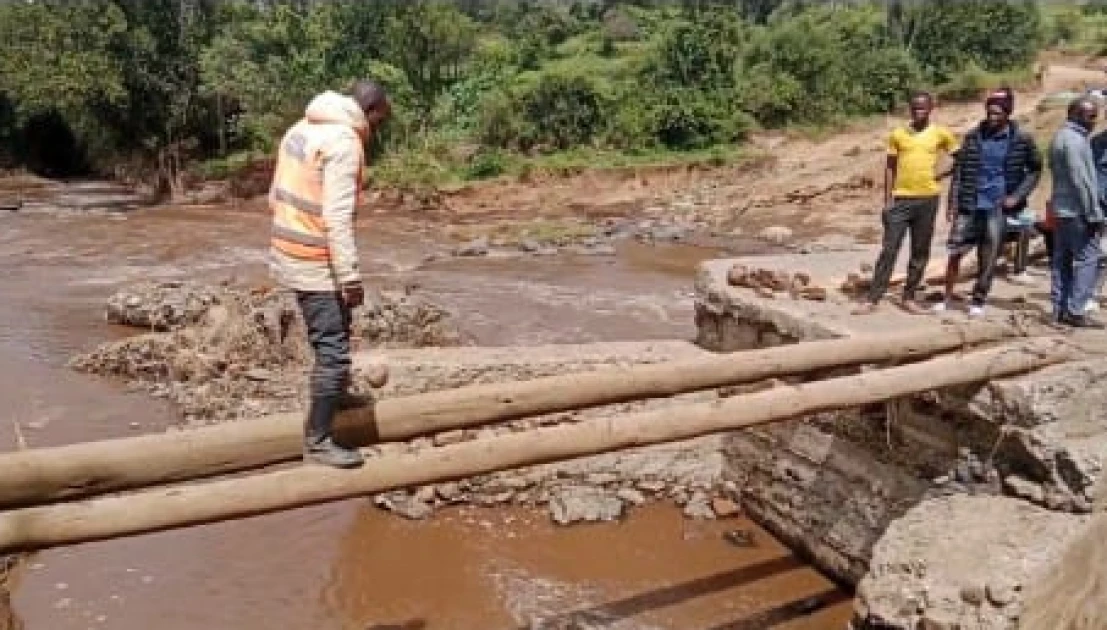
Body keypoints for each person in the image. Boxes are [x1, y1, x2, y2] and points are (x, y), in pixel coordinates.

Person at [269, 80, 392, 468]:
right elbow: (336, 218)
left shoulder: (301, 127)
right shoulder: (344, 143)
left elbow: (274, 194)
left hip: (290, 248)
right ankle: (319, 441)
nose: (375, 132)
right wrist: (350, 278)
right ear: (370, 111)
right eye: (379, 122)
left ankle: (335, 396)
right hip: (315, 258)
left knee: (337, 326)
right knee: (334, 352)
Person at [934, 88, 1042, 317]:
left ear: (1007, 113)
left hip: (998, 206)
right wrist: (952, 201)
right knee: (955, 251)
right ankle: (947, 298)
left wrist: (1017, 196)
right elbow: (961, 170)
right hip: (969, 203)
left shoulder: (1022, 140)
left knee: (989, 254)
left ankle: (978, 300)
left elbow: (1035, 169)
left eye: (997, 113)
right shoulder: (973, 137)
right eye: (989, 112)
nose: (992, 117)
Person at [855, 92, 958, 315]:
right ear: (910, 109)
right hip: (901, 199)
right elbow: (890, 166)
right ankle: (873, 299)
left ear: (931, 108)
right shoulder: (898, 134)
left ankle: (909, 297)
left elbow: (961, 156)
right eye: (914, 108)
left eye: (922, 107)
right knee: (889, 249)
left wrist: (941, 174)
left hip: (928, 199)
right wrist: (887, 199)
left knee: (920, 251)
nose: (918, 111)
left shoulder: (941, 133)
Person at [1048, 96, 1104, 328]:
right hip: (1078, 211)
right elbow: (1081, 181)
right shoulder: (1075, 142)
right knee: (1089, 258)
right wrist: (1093, 213)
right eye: (1090, 117)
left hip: (1061, 209)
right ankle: (1076, 310)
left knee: (1062, 260)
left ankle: (1060, 309)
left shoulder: (1060, 137)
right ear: (1075, 114)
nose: (1094, 122)